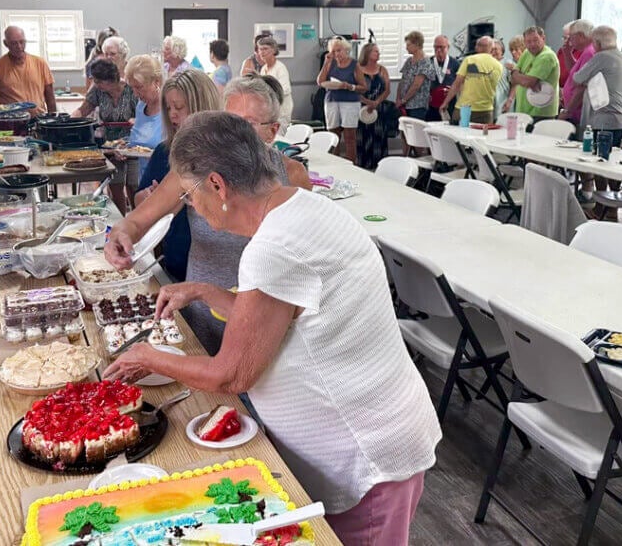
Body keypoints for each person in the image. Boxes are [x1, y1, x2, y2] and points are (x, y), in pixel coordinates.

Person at [104, 112, 440, 546]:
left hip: (365, 451)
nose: (193, 207)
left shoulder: (274, 246)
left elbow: (231, 375)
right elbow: (283, 319)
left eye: (189, 195)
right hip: (379, 428)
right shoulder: (307, 207)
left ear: (217, 185)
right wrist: (205, 292)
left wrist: (148, 357)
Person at [113, 74, 310, 353]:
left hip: (267, 321)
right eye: (228, 122)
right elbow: (137, 220)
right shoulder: (194, 169)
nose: (235, 136)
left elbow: (303, 261)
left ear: (273, 130)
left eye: (248, 124)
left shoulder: (293, 175)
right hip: (202, 314)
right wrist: (120, 235)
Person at [133, 70, 221, 283]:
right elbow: (138, 201)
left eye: (179, 107)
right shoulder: (164, 152)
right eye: (168, 108)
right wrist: (151, 196)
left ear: (202, 106)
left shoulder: (223, 155)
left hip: (215, 269)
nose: (172, 114)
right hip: (174, 263)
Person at [572, 25, 622, 216]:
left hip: (605, 118)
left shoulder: (602, 57)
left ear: (597, 42)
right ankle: (611, 206)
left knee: (600, 163)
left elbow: (578, 77)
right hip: (620, 117)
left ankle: (602, 207)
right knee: (611, 162)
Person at [76, 59, 138, 212]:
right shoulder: (97, 91)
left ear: (110, 81)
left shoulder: (131, 90)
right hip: (109, 146)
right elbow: (83, 110)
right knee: (115, 186)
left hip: (133, 144)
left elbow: (144, 114)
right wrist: (69, 120)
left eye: (98, 81)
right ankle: (120, 219)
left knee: (133, 186)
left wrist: (136, 120)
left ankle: (136, 218)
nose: (95, 84)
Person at [0, 25, 56, 114]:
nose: (19, 46)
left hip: (38, 118)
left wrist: (54, 118)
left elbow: (50, 97)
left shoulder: (40, 63)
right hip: (11, 120)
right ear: (6, 43)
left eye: (22, 42)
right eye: (14, 43)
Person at [317, 37, 366, 163]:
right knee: (333, 135)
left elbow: (363, 87)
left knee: (349, 136)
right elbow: (320, 82)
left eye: (339, 50)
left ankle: (351, 164)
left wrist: (350, 86)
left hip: (350, 102)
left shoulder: (354, 64)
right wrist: (326, 63)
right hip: (331, 101)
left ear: (346, 50)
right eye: (333, 51)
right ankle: (334, 164)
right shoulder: (330, 63)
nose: (336, 54)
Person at [439, 36, 502, 125]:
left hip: (464, 109)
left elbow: (457, 84)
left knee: (459, 133)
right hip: (485, 110)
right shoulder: (498, 66)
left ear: (477, 47)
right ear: (491, 48)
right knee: (482, 134)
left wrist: (445, 103)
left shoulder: (469, 60)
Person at [508, 26, 560, 121]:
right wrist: (517, 76)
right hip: (523, 110)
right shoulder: (527, 53)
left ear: (543, 38)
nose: (532, 44)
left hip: (541, 112)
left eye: (536, 40)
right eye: (528, 41)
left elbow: (529, 82)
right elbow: (513, 79)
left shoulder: (547, 56)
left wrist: (517, 75)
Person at [357, 43, 391, 170]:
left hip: (379, 108)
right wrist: (367, 102)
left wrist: (376, 102)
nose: (378, 53)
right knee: (362, 136)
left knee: (379, 136)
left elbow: (387, 90)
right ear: (367, 53)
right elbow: (353, 90)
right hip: (362, 108)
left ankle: (380, 166)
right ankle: (362, 165)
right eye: (375, 51)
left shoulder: (382, 70)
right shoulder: (358, 69)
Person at [559, 19, 595, 130]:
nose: (569, 41)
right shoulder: (587, 51)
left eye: (571, 37)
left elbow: (581, 87)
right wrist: (567, 53)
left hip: (579, 112)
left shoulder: (589, 52)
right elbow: (575, 73)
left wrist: (567, 111)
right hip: (576, 112)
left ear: (580, 36)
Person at [257, 35, 293, 128]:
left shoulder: (280, 68)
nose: (262, 52)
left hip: (282, 112)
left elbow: (285, 89)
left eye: (265, 49)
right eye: (260, 49)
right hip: (270, 111)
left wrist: (269, 94)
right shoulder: (263, 69)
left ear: (273, 50)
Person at [426, 34, 460, 122]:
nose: (438, 50)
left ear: (448, 47)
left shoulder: (455, 63)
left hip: (449, 103)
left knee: (448, 127)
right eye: (436, 47)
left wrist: (454, 89)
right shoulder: (428, 62)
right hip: (431, 104)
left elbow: (461, 83)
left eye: (441, 47)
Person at [490, 39, 510, 121]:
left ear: (502, 50)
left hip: (503, 101)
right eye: (491, 50)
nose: (493, 52)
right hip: (490, 103)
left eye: (496, 49)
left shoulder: (508, 63)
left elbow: (515, 84)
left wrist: (509, 100)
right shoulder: (488, 63)